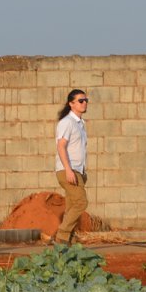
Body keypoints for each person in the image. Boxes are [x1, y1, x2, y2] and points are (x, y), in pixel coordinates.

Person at [48, 89, 90, 246]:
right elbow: (61, 146)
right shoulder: (67, 122)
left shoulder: (80, 124)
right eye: (80, 101)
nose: (84, 103)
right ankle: (61, 235)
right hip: (68, 170)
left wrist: (82, 171)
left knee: (72, 206)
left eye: (85, 100)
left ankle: (67, 242)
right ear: (71, 104)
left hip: (78, 171)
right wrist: (68, 170)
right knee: (81, 203)